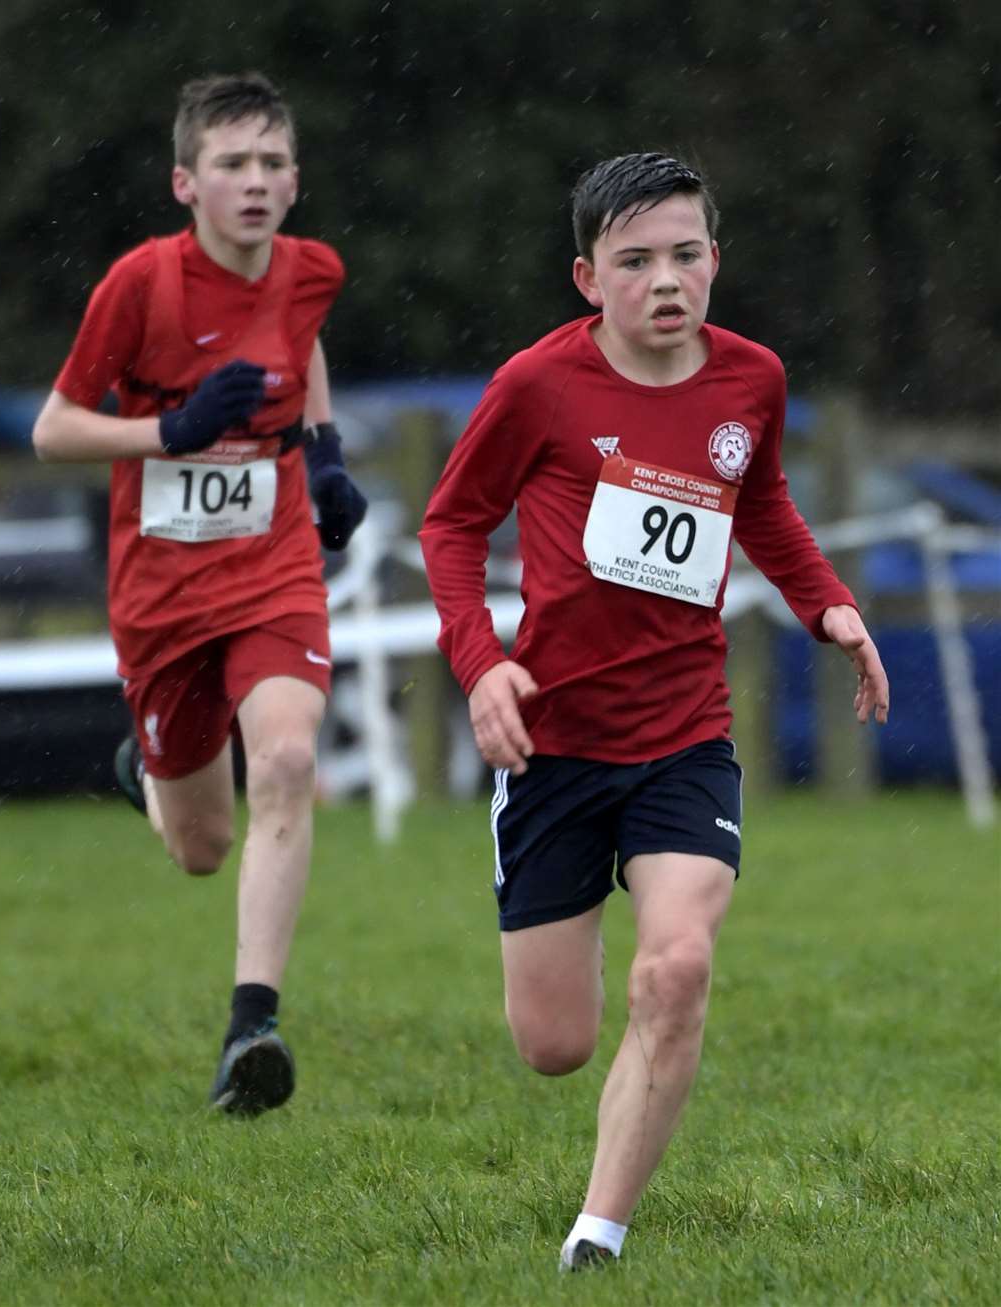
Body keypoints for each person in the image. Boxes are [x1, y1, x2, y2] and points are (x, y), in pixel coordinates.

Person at [419, 152, 889, 1270]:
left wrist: (830, 606)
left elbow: (760, 500)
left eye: (685, 254)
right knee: (555, 1043)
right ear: (588, 277)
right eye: (635, 261)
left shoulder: (753, 381)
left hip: (685, 730)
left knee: (675, 966)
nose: (665, 279)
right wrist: (483, 665)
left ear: (716, 260)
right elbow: (448, 527)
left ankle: (600, 1233)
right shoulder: (536, 385)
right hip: (555, 741)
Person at [32, 71, 366, 1116]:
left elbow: (299, 342)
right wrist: (164, 433)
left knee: (288, 756)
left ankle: (251, 1024)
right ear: (187, 182)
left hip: (272, 562)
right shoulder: (141, 286)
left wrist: (321, 454)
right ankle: (151, 766)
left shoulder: (312, 269)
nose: (255, 182)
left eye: (272, 162)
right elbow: (52, 429)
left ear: (296, 179)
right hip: (162, 587)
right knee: (200, 848)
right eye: (232, 164)